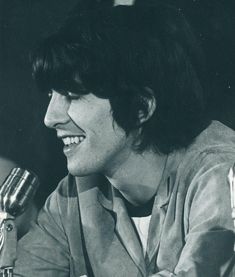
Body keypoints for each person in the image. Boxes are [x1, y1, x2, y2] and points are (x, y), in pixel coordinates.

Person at [9, 2, 235, 276]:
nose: (50, 117)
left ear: (141, 107)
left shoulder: (223, 172)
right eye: (51, 96)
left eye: (72, 95)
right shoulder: (72, 196)